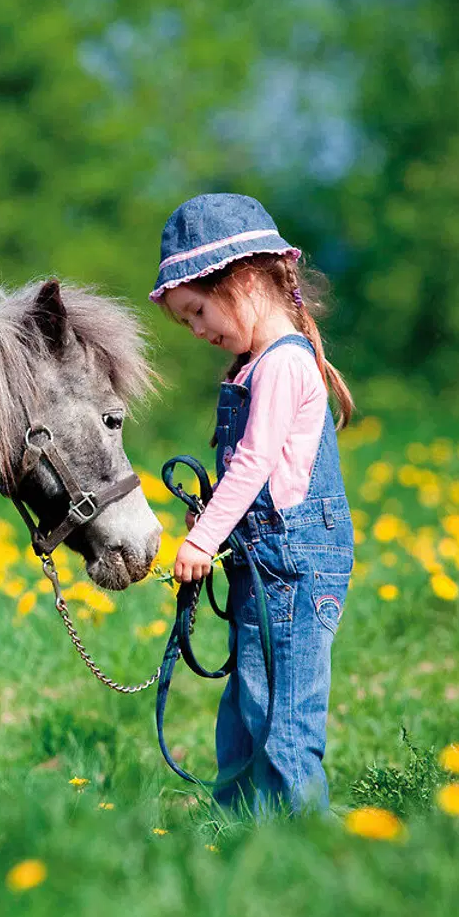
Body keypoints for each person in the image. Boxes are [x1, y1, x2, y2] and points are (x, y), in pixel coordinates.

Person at [150, 192, 356, 816]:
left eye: (197, 310)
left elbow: (256, 462)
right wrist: (216, 516)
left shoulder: (283, 364)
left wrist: (203, 538)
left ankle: (301, 837)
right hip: (262, 564)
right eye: (187, 321)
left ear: (241, 280)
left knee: (281, 717)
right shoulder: (253, 366)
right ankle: (238, 826)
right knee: (246, 705)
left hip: (291, 567)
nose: (198, 330)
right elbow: (256, 477)